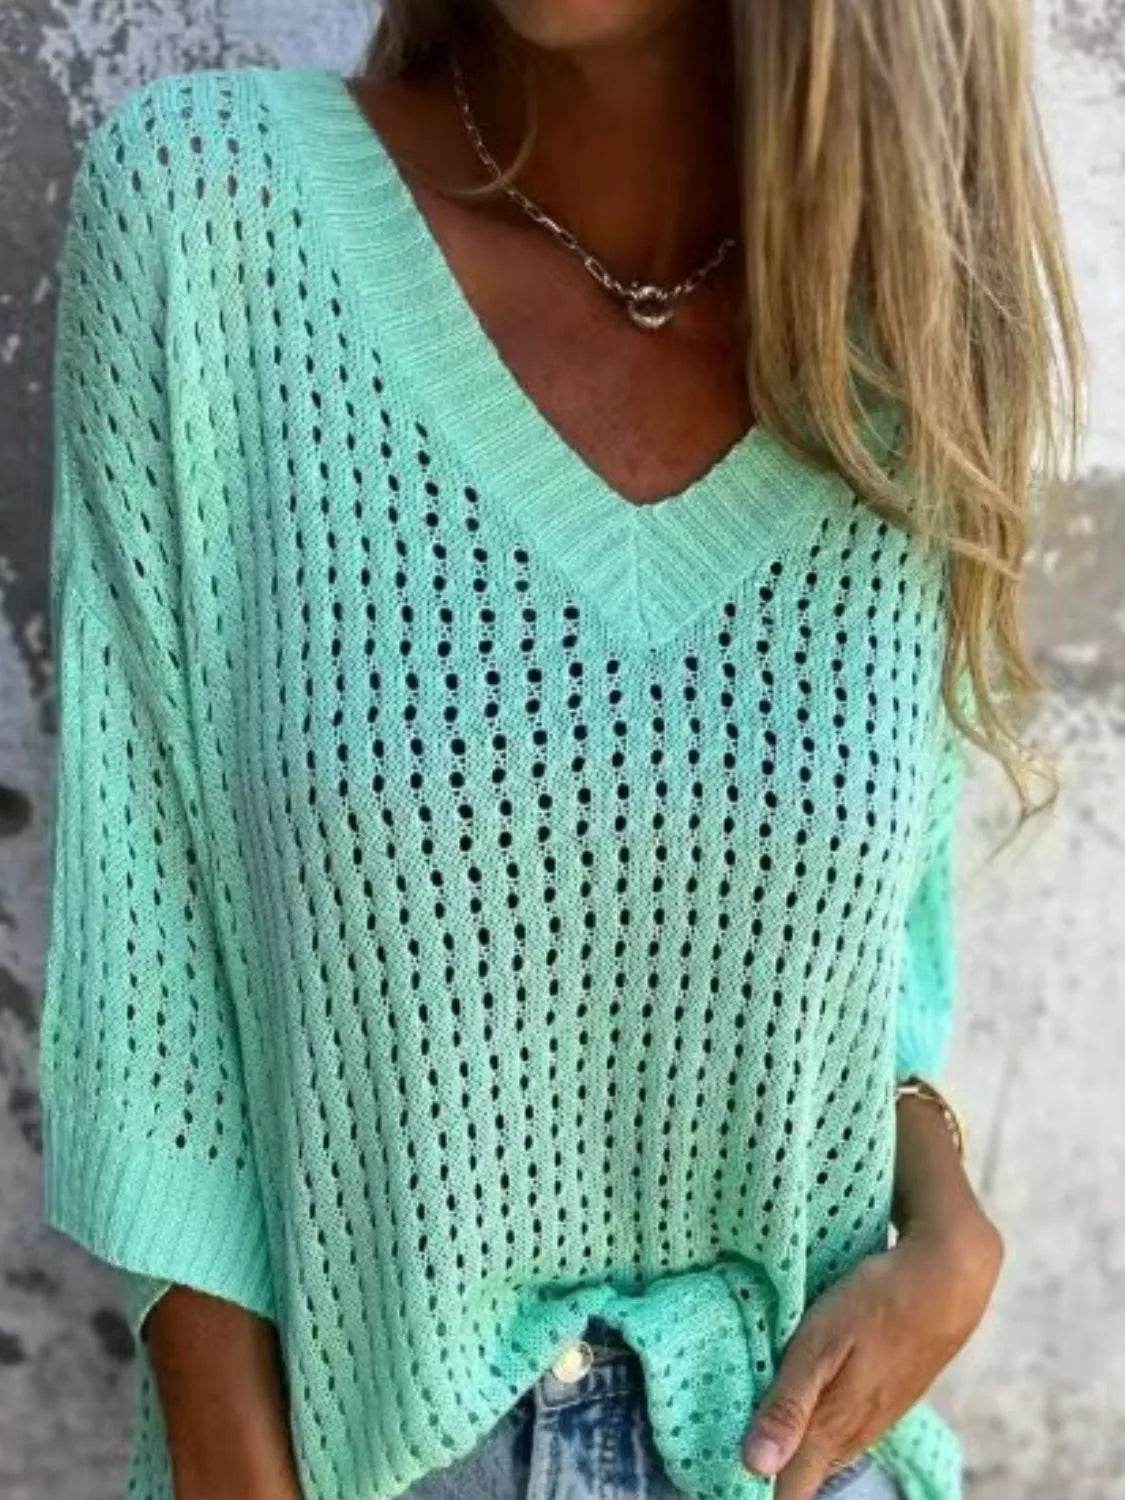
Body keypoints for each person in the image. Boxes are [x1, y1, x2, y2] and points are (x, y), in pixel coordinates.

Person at [38, 3, 1083, 1500]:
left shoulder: (900, 352)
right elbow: (155, 987)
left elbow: (873, 985)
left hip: (786, 1451)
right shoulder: (215, 214)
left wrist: (949, 1219)